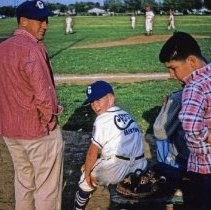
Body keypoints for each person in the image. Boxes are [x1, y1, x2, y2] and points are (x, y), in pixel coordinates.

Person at [0, 1, 64, 210]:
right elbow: (44, 93)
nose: (45, 25)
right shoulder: (32, 49)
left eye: (46, 20)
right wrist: (50, 119)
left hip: (10, 132)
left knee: (24, 182)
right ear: (24, 22)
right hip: (37, 131)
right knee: (47, 187)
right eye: (40, 20)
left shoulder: (2, 48)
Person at [74, 80, 147, 210]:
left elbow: (93, 151)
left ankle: (77, 208)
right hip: (140, 166)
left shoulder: (102, 119)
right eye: (92, 102)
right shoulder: (127, 115)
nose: (95, 105)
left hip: (115, 167)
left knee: (85, 179)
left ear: (111, 98)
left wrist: (87, 172)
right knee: (122, 190)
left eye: (98, 100)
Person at [159, 31, 211, 210]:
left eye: (173, 68)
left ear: (191, 61)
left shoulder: (194, 86)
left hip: (203, 169)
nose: (171, 74)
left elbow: (193, 130)